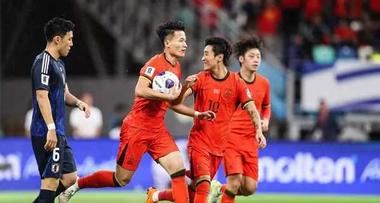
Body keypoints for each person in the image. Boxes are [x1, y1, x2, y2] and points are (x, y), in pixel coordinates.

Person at [59, 20, 214, 203]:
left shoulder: (176, 67)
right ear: (167, 43)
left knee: (178, 169)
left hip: (157, 130)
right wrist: (165, 96)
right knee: (121, 179)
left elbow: (173, 102)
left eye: (185, 41)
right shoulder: (155, 63)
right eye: (180, 40)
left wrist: (191, 101)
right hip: (136, 128)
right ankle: (77, 185)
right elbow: (140, 90)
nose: (185, 44)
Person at [146, 37, 266, 203]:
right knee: (203, 187)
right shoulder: (199, 79)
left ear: (219, 57)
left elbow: (252, 109)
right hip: (199, 143)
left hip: (219, 148)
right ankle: (207, 187)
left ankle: (155, 195)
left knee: (195, 191)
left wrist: (258, 131)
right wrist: (187, 89)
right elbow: (174, 104)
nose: (203, 58)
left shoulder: (236, 83)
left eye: (206, 54)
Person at [30, 17, 91, 203]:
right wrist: (50, 128)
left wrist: (79, 103)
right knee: (50, 183)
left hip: (59, 132)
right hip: (46, 132)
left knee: (71, 179)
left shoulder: (59, 65)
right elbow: (42, 96)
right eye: (69, 39)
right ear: (57, 39)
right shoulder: (43, 62)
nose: (72, 43)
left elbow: (64, 94)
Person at [209, 36, 270, 203]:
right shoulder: (230, 81)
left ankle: (218, 189)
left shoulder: (264, 83)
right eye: (252, 56)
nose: (256, 60)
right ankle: (225, 190)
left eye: (258, 56)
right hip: (231, 139)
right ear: (241, 59)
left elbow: (266, 106)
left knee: (250, 188)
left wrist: (265, 120)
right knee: (234, 181)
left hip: (251, 140)